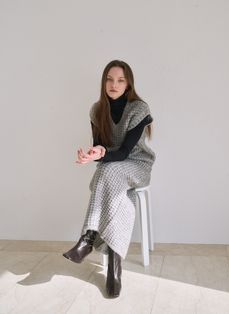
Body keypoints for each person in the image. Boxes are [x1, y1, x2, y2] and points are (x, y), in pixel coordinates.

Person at [63, 60, 156, 298]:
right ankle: (114, 268)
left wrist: (103, 155)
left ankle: (88, 237)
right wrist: (91, 155)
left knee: (106, 174)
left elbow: (124, 152)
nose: (114, 84)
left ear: (128, 84)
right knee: (111, 181)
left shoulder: (139, 109)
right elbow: (100, 148)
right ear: (103, 82)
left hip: (137, 165)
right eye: (109, 79)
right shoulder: (97, 110)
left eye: (120, 80)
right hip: (112, 169)